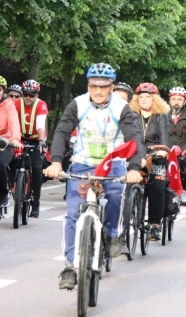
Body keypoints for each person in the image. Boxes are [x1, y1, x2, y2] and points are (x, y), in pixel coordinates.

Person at [43, 63, 144, 290]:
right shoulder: (77, 104)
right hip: (82, 165)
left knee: (118, 193)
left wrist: (134, 168)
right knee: (72, 214)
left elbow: (134, 137)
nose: (98, 91)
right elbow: (62, 131)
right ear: (88, 85)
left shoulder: (122, 107)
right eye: (93, 86)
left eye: (104, 87)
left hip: (113, 164)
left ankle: (111, 235)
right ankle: (70, 266)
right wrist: (57, 161)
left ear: (111, 86)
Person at [131, 82, 169, 241]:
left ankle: (155, 224)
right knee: (130, 184)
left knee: (157, 188)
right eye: (141, 97)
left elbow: (163, 138)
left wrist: (162, 150)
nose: (144, 100)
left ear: (154, 100)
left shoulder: (160, 116)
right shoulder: (131, 115)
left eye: (148, 97)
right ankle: (130, 217)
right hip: (137, 155)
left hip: (156, 155)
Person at [0, 75, 23, 206]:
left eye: (0, 90)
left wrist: (15, 139)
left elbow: (13, 122)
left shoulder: (9, 105)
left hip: (4, 142)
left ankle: (3, 193)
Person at [14, 79, 49, 218]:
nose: (28, 97)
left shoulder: (41, 105)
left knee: (36, 168)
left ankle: (36, 202)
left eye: (32, 95)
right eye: (25, 94)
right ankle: (13, 186)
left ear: (37, 95)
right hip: (20, 138)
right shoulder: (16, 104)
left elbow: (41, 124)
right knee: (12, 161)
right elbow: (12, 122)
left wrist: (41, 141)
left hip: (37, 139)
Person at [166, 86, 186, 206]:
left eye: (179, 99)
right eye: (173, 99)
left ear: (184, 101)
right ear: (169, 101)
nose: (176, 102)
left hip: (183, 150)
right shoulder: (163, 114)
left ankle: (184, 190)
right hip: (167, 150)